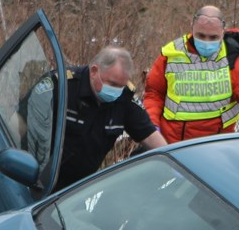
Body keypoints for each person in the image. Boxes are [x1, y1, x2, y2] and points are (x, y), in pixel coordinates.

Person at [25, 46, 167, 192]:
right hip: (36, 180)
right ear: (94, 71)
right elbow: (20, 123)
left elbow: (150, 136)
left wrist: (171, 161)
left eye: (121, 86)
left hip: (75, 192)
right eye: (112, 84)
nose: (116, 91)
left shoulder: (125, 98)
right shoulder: (61, 86)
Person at [144, 5, 239, 143]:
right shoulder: (171, 55)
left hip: (215, 148)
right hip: (169, 146)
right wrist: (151, 128)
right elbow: (154, 94)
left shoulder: (235, 63)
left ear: (223, 32)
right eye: (201, 35)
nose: (206, 42)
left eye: (213, 37)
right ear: (192, 27)